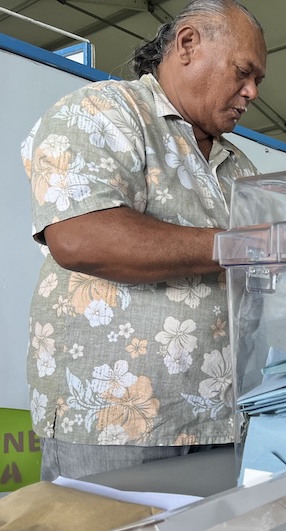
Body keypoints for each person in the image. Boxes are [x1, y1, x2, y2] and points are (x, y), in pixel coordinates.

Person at [20, 0, 267, 480]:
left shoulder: (241, 167)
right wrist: (244, 244)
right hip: (118, 423)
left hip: (225, 421)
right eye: (244, 71)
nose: (252, 91)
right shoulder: (102, 111)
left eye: (258, 81)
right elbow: (82, 238)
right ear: (189, 44)